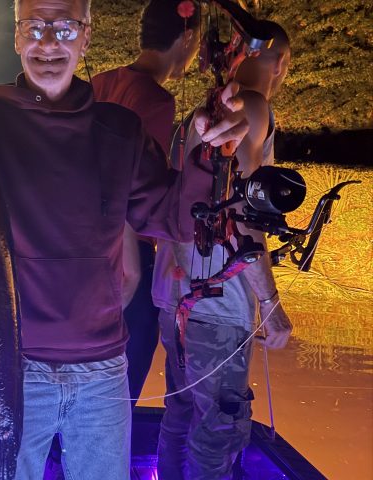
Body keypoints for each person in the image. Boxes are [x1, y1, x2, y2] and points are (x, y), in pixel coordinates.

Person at [0, 0, 249, 478]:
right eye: (35, 26)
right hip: (9, 370)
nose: (49, 42)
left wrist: (211, 152)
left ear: (87, 37)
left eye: (65, 27)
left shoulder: (119, 131)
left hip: (103, 372)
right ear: (16, 37)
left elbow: (178, 221)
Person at [151, 20, 293, 480]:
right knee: (220, 425)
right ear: (282, 64)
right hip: (215, 305)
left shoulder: (202, 111)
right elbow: (245, 215)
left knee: (181, 413)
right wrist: (270, 303)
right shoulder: (252, 108)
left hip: (173, 300)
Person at [91, 0, 201, 406]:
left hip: (85, 247)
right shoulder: (154, 100)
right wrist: (134, 266)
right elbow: (129, 187)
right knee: (126, 370)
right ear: (187, 37)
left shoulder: (100, 82)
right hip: (124, 253)